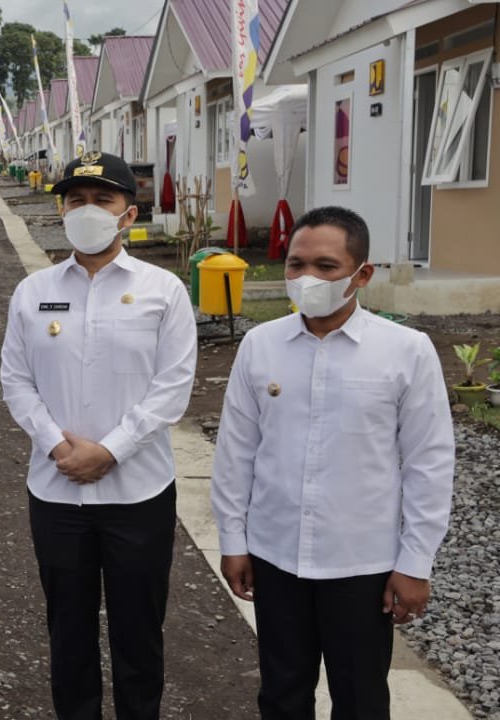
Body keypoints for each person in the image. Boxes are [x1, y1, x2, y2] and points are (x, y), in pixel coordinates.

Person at [211, 206, 455, 719]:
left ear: (361, 274)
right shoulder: (261, 345)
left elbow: (429, 464)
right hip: (277, 558)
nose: (307, 278)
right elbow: (237, 452)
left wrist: (415, 562)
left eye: (326, 267)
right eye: (296, 264)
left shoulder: (405, 351)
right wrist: (233, 540)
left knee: (361, 699)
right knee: (281, 694)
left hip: (361, 566)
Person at [0, 151, 197, 720]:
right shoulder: (33, 292)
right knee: (68, 633)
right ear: (62, 210)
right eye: (76, 200)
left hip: (138, 494)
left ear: (128, 214)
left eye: (102, 200)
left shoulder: (163, 290)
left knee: (140, 634)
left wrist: (110, 450)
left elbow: (173, 386)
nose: (87, 211)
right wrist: (58, 446)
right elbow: (15, 379)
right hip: (56, 492)